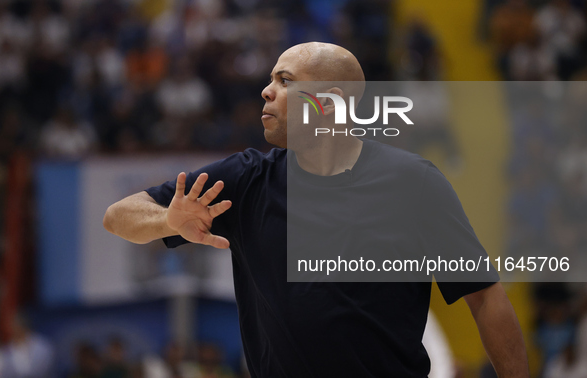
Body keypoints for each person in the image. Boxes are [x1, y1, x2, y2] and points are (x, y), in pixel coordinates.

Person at [104, 42, 529, 377]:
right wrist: (165, 219)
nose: (266, 90)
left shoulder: (412, 183)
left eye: (285, 80)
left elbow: (485, 295)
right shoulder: (245, 179)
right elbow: (118, 216)